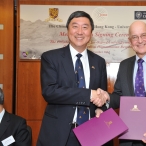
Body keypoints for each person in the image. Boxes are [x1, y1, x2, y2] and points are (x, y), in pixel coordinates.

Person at [37, 11, 111, 146]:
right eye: (75, 26)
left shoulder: (99, 62)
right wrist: (89, 94)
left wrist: (101, 108)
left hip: (92, 131)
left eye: (85, 27)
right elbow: (49, 92)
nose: (80, 32)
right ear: (67, 30)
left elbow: (102, 94)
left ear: (91, 33)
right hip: (60, 133)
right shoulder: (51, 58)